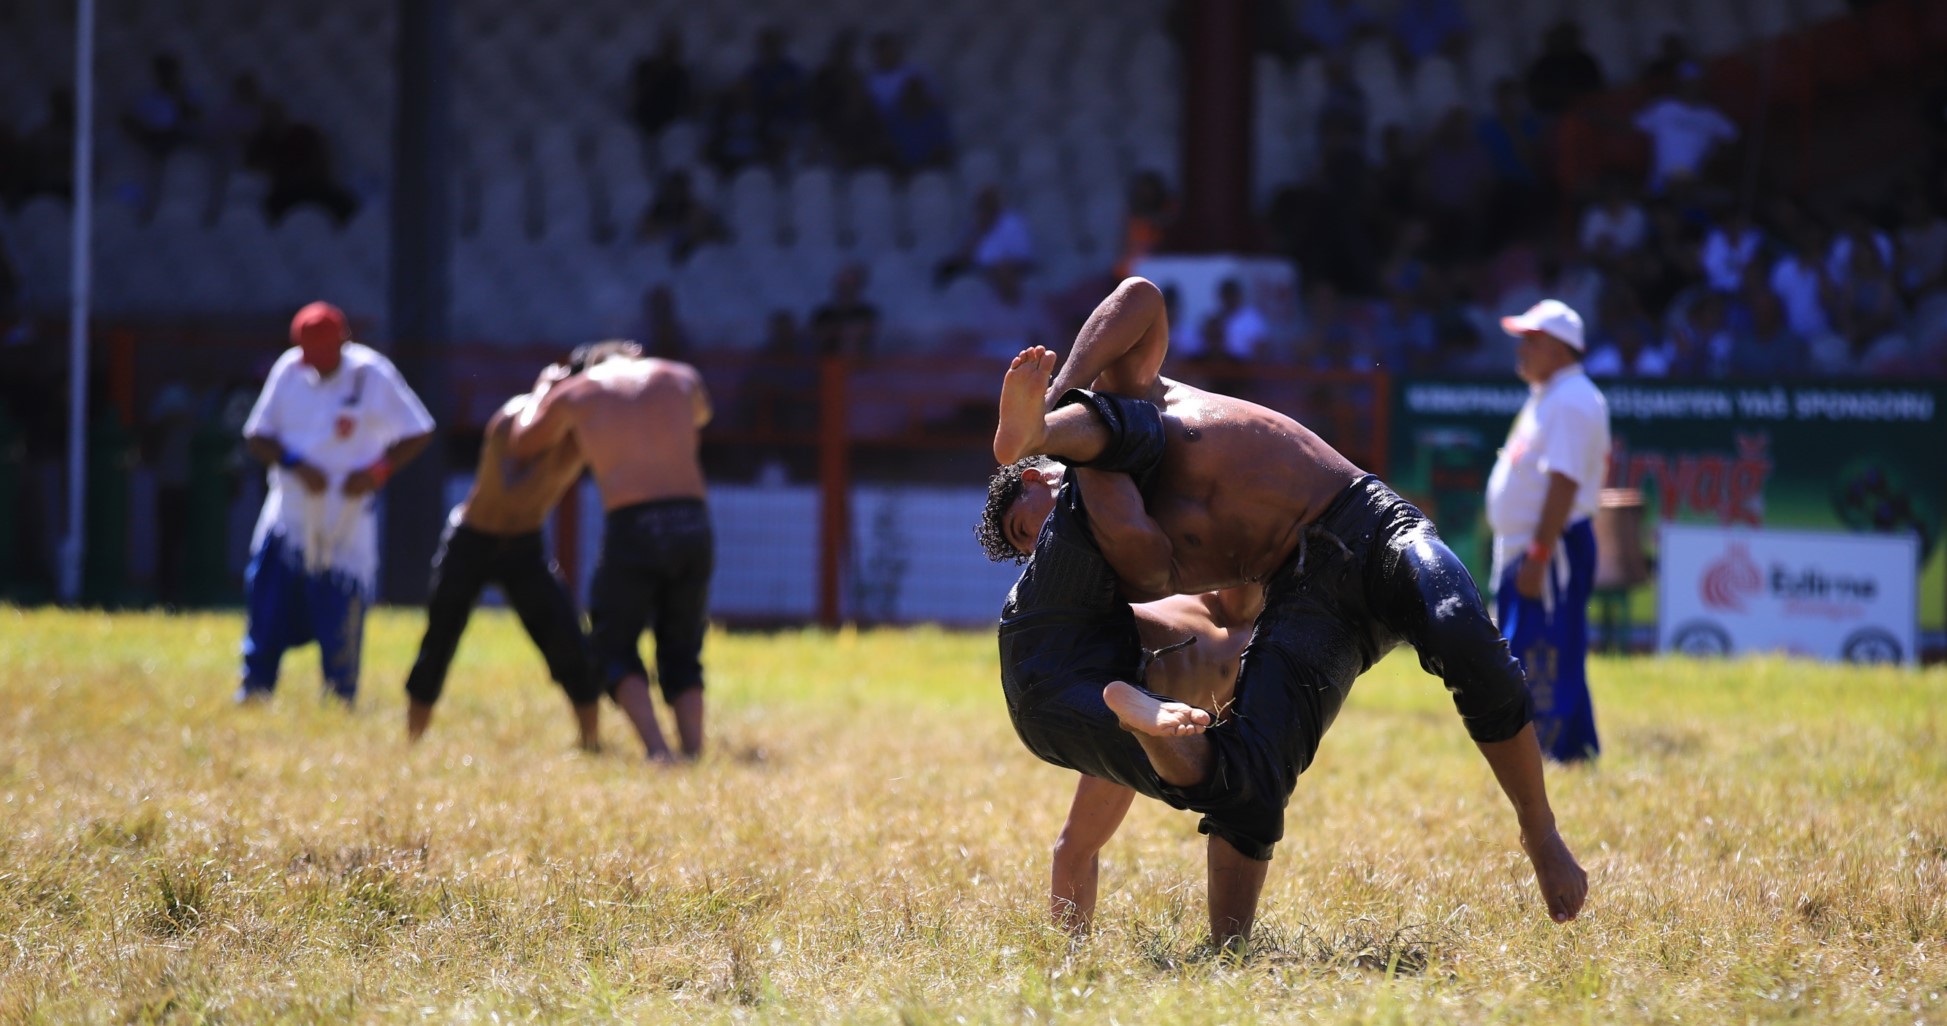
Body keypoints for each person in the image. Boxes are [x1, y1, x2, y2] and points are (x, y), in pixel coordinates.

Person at [981, 278, 1588, 947]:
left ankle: (1539, 830)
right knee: (1248, 782)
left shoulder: (1133, 397)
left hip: (1366, 522)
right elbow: (1177, 594)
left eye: (1023, 526)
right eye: (1022, 545)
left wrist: (1061, 393)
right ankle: (1226, 953)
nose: (1035, 544)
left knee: (1461, 632)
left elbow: (1142, 296)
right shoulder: (1105, 551)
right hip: (1301, 595)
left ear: (1038, 474)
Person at [402, 347, 637, 749]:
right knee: (439, 640)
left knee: (567, 641)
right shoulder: (517, 417)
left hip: (524, 546)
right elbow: (514, 489)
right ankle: (413, 742)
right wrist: (547, 394)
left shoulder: (582, 437)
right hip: (472, 540)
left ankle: (591, 743)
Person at [509, 342, 715, 762]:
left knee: (613, 644)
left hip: (634, 523)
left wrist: (544, 391)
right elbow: (701, 416)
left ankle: (658, 751)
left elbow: (523, 442)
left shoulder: (578, 393)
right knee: (683, 643)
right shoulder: (680, 375)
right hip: (694, 520)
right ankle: (694, 752)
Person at [238, 302, 434, 703]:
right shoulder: (289, 370)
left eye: (325, 353)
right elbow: (257, 435)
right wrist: (295, 462)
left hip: (346, 518)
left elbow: (419, 431)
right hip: (290, 514)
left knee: (340, 608)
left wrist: (377, 472)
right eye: (310, 353)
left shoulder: (370, 374)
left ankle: (340, 693)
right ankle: (255, 688)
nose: (317, 363)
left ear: (344, 342)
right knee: (268, 603)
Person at [1486, 301, 1610, 762]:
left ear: (1560, 349)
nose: (1522, 349)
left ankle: (1547, 755)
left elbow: (1564, 481)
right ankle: (1573, 750)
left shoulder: (1573, 400)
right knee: (1548, 647)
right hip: (1538, 548)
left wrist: (1538, 554)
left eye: (1532, 341)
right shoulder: (1551, 395)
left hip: (1551, 549)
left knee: (1540, 654)